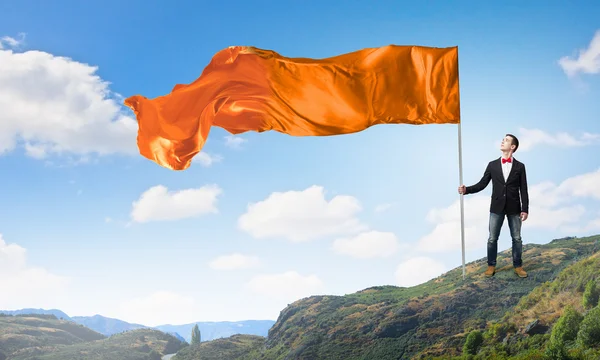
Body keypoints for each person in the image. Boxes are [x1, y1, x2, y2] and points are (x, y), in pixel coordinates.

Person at [458, 134, 529, 278]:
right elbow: (482, 184)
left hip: (514, 208)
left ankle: (518, 266)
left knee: (517, 238)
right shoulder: (492, 165)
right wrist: (467, 190)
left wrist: (525, 209)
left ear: (513, 147)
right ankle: (491, 266)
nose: (503, 141)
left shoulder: (520, 167)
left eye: (507, 140)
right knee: (492, 238)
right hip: (496, 207)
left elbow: (524, 189)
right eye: (503, 139)